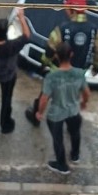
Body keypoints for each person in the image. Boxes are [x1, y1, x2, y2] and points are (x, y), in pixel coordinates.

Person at [25, 0, 98, 127]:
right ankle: (71, 123)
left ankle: (36, 116)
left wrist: (44, 63)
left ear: (72, 10)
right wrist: (96, 67)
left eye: (67, 8)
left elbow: (50, 49)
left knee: (46, 94)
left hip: (58, 70)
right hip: (79, 71)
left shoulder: (61, 29)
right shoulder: (94, 30)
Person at [36, 41, 90, 176]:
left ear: (56, 57)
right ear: (71, 55)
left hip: (56, 113)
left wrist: (39, 112)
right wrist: (84, 103)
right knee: (75, 133)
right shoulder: (79, 73)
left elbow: (44, 98)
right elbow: (87, 92)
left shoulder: (51, 77)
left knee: (57, 138)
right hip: (73, 110)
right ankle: (75, 155)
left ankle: (62, 164)